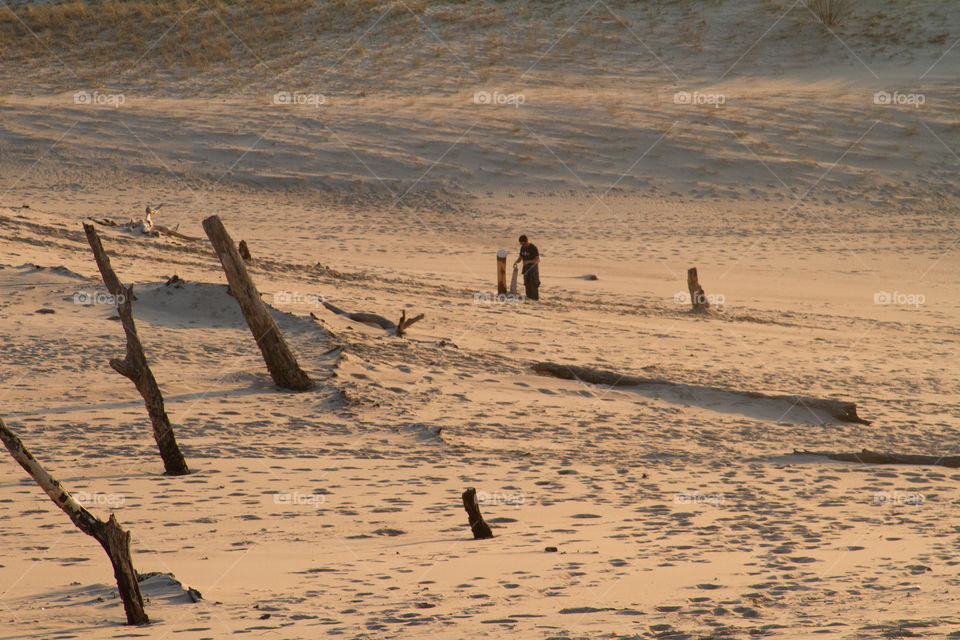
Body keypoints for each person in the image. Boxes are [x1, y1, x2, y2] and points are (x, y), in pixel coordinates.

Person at [513, 234, 540, 300]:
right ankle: (529, 298)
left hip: (533, 269)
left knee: (533, 284)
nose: (523, 245)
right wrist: (516, 262)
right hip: (526, 269)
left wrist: (529, 261)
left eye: (523, 244)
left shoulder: (533, 248)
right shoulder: (522, 248)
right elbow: (521, 257)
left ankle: (535, 299)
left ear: (527, 241)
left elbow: (538, 260)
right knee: (527, 284)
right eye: (521, 244)